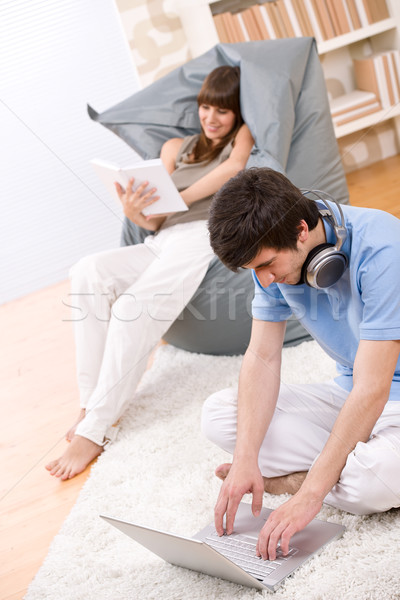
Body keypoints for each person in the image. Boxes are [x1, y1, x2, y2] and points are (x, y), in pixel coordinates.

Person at [46, 66, 254, 480]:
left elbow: (234, 169)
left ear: (236, 115)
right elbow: (156, 222)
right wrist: (135, 211)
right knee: (87, 271)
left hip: (200, 239)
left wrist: (178, 196)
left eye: (223, 111)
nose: (212, 119)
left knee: (133, 309)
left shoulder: (240, 139)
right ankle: (90, 403)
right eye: (206, 108)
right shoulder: (176, 147)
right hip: (162, 240)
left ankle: (96, 430)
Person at [202, 167, 400, 561]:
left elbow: (374, 387)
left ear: (301, 230)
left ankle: (298, 480)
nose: (266, 279)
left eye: (267, 264)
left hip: (382, 393)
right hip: (349, 393)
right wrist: (245, 461)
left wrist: (310, 494)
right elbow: (262, 356)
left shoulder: (383, 247)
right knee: (220, 414)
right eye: (255, 270)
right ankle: (337, 465)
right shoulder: (273, 262)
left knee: (370, 482)